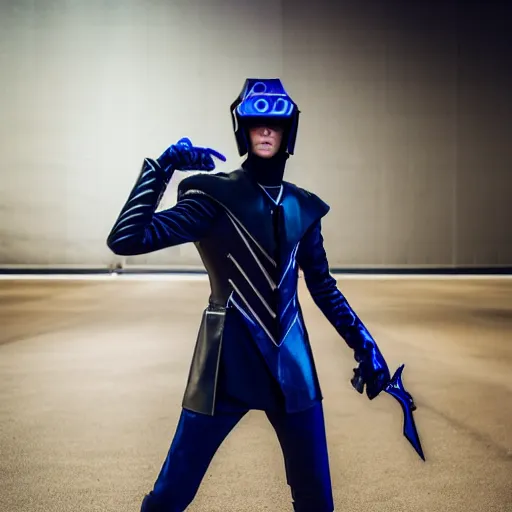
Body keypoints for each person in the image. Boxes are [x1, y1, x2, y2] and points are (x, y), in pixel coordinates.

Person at [107, 78, 391, 512]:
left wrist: (364, 342)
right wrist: (162, 167)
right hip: (224, 366)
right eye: (256, 123)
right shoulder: (212, 197)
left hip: (293, 369)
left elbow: (322, 285)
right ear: (243, 130)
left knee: (317, 502)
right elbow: (127, 238)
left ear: (287, 132)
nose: (265, 131)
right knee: (169, 496)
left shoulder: (304, 206)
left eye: (274, 124)